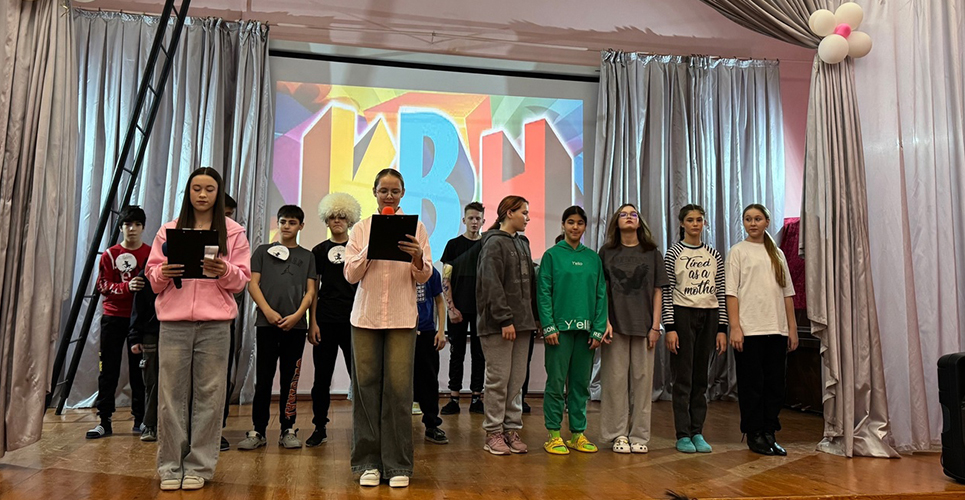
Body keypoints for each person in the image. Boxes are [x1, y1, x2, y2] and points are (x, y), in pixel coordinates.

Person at [146, 167, 251, 491]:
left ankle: (199, 467)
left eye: (209, 189)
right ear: (188, 192)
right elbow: (152, 279)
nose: (202, 195)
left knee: (210, 396)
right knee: (170, 397)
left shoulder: (233, 232)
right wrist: (163, 272)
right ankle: (170, 466)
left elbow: (241, 281)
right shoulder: (168, 230)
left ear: (218, 193)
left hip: (215, 324)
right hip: (174, 323)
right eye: (196, 188)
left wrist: (224, 270)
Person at [344, 168, 431, 488]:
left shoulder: (416, 227)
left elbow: (424, 276)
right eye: (384, 190)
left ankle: (397, 465)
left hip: (402, 317)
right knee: (365, 388)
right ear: (375, 192)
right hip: (365, 317)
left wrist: (418, 257)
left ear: (403, 193)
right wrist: (371, 247)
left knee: (398, 390)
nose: (389, 196)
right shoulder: (361, 228)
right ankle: (367, 463)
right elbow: (350, 275)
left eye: (395, 191)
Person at [238, 205, 316, 451]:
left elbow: (311, 291)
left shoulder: (308, 256)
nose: (286, 226)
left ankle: (287, 429)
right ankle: (258, 430)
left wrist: (298, 316)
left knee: (290, 380)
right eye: (283, 221)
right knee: (263, 379)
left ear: (301, 226)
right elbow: (253, 284)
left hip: (296, 327)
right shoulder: (262, 251)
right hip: (266, 324)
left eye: (292, 222)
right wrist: (268, 312)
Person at [725, 203, 797, 456]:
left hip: (776, 330)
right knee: (752, 385)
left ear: (767, 222)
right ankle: (754, 433)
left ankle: (769, 432)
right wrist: (735, 327)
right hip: (750, 330)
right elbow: (731, 293)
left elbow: (787, 294)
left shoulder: (777, 254)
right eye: (748, 219)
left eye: (757, 219)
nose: (753, 223)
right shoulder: (737, 252)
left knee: (775, 385)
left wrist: (792, 329)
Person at [598, 204, 669, 454]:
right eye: (623, 214)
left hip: (645, 327)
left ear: (639, 222)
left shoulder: (652, 253)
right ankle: (617, 434)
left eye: (633, 214)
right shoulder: (606, 252)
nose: (629, 217)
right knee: (615, 383)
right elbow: (601, 291)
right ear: (616, 222)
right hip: (614, 327)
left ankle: (639, 435)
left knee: (642, 383)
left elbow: (658, 291)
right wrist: (604, 321)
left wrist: (656, 327)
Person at [537, 205, 607, 455]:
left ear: (585, 226)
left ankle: (577, 433)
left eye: (579, 223)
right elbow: (543, 293)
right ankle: (554, 435)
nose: (575, 227)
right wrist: (548, 326)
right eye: (570, 222)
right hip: (558, 332)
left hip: (586, 333)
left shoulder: (593, 258)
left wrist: (598, 329)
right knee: (556, 383)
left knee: (580, 384)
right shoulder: (552, 256)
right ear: (563, 225)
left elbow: (601, 295)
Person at [662, 204, 728, 454]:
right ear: (682, 224)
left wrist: (722, 328)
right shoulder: (674, 253)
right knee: (683, 377)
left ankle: (697, 431)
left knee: (701, 377)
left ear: (704, 223)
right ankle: (683, 434)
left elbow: (720, 291)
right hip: (682, 314)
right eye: (690, 220)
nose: (695, 224)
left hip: (709, 315)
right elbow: (667, 292)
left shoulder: (713, 255)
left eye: (699, 220)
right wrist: (670, 327)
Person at [475, 195, 538, 456]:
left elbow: (530, 285)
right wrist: (504, 319)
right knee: (498, 380)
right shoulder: (493, 243)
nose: (527, 218)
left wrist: (535, 319)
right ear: (509, 213)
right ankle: (493, 432)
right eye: (524, 212)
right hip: (498, 325)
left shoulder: (523, 243)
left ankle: (511, 429)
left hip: (523, 324)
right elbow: (491, 284)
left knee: (516, 381)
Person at [86, 205, 150, 439]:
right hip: (113, 317)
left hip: (139, 321)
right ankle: (104, 420)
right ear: (121, 227)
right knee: (108, 370)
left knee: (139, 371)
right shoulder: (110, 254)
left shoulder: (151, 253)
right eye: (127, 224)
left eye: (137, 225)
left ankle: (141, 420)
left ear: (143, 227)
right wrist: (126, 287)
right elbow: (102, 285)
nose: (132, 229)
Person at [307, 192, 361, 447]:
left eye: (342, 216)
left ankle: (363, 428)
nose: (337, 221)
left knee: (359, 378)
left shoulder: (358, 249)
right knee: (321, 378)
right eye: (332, 217)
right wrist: (313, 322)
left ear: (350, 220)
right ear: (326, 220)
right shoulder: (318, 251)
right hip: (325, 321)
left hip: (354, 322)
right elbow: (313, 290)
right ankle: (319, 426)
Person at [440, 202, 486, 415]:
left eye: (478, 218)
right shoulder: (453, 245)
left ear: (483, 221)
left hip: (481, 311)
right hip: (457, 309)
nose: (474, 222)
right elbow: (445, 278)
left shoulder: (487, 246)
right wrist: (450, 308)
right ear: (464, 220)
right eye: (471, 218)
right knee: (456, 353)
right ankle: (454, 398)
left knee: (479, 354)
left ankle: (477, 397)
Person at [414, 266, 449, 444]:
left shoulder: (431, 272)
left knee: (429, 380)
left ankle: (431, 424)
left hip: (426, 331)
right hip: (401, 331)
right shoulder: (397, 267)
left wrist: (441, 331)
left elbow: (440, 301)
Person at [129, 268, 159, 443]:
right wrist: (134, 336)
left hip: (179, 329)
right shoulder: (147, 273)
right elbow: (137, 306)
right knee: (152, 381)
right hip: (151, 333)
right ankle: (150, 424)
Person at [221, 193, 240, 451]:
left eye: (229, 215)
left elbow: (241, 282)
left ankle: (217, 429)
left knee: (221, 378)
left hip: (223, 320)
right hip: (183, 322)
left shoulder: (236, 237)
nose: (227, 220)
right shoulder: (176, 231)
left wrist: (225, 270)